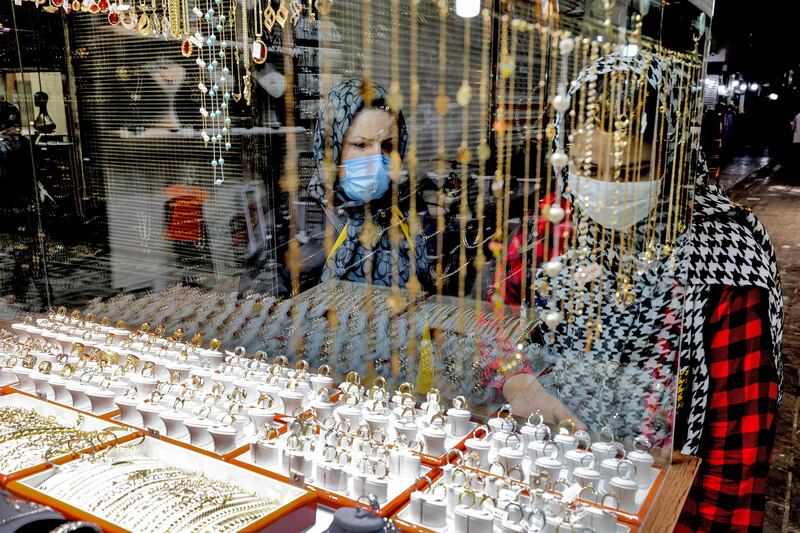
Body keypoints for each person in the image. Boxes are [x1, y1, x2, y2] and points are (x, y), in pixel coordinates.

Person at [501, 53, 782, 532]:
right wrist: (518, 380)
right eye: (590, 167)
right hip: (547, 488)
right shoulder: (550, 232)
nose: (608, 187)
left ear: (671, 162)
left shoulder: (726, 259)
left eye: (633, 170)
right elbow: (501, 334)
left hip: (664, 510)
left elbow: (736, 448)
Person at [308, 79, 431, 292]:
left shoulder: (401, 217)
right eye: (361, 144)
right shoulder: (308, 223)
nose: (376, 158)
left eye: (388, 146)